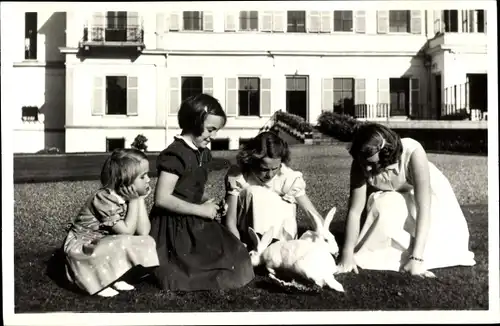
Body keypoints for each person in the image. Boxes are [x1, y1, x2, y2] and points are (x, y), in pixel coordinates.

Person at [338, 123, 476, 276]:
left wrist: (416, 259)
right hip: (392, 195)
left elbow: (424, 209)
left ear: (387, 154)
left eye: (371, 164)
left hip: (425, 196)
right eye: (363, 163)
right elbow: (355, 211)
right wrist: (347, 254)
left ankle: (415, 253)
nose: (367, 169)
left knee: (437, 244)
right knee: (383, 208)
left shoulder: (414, 153)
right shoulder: (361, 163)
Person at [149, 93, 254, 291]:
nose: (214, 136)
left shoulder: (203, 153)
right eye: (210, 130)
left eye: (216, 131)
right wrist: (202, 211)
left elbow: (191, 188)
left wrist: (210, 202)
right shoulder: (176, 154)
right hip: (173, 225)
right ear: (194, 122)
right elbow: (162, 199)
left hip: (193, 218)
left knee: (236, 253)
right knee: (195, 269)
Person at [63, 148, 159, 297]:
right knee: (123, 241)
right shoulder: (104, 199)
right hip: (83, 246)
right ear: (125, 179)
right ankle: (99, 282)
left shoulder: (126, 197)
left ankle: (114, 277)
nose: (148, 179)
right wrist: (134, 200)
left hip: (103, 242)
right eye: (143, 176)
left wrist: (139, 199)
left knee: (144, 240)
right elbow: (126, 231)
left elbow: (144, 231)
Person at [224, 131, 326, 248]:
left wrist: (326, 240)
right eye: (264, 169)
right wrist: (238, 248)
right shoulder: (240, 176)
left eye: (275, 168)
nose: (270, 174)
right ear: (251, 161)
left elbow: (312, 214)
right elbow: (230, 222)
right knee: (253, 192)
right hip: (250, 236)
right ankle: (257, 248)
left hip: (282, 239)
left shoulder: (288, 177)